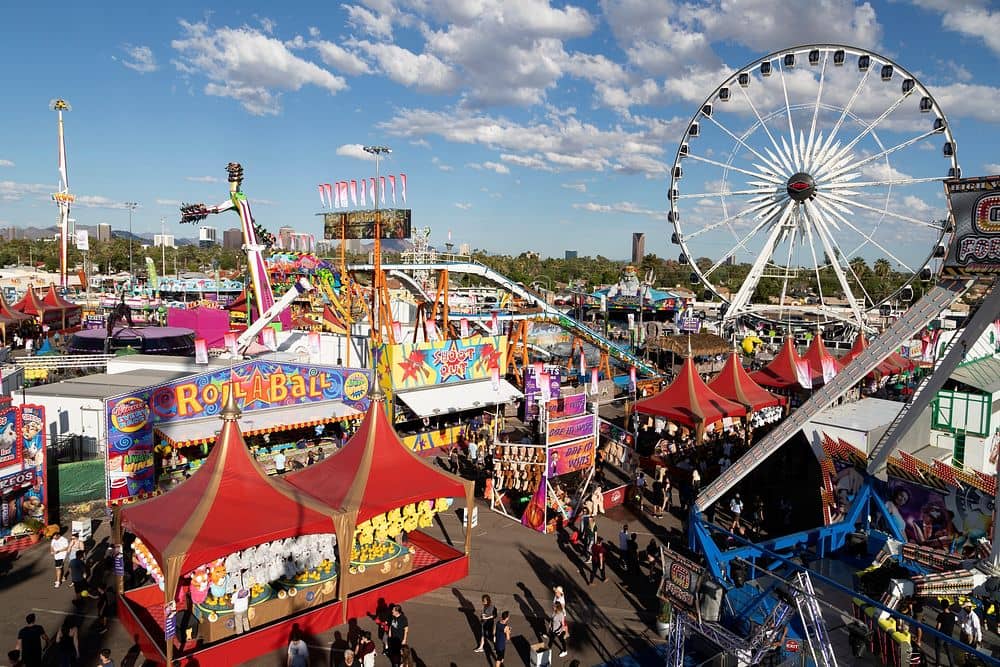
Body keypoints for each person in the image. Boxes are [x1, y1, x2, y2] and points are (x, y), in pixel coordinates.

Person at [935, 600, 957, 667]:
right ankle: (952, 665)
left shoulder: (941, 615)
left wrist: (936, 633)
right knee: (949, 652)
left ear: (942, 606)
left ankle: (938, 664)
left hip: (941, 635)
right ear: (948, 606)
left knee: (938, 649)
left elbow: (938, 626)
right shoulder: (953, 615)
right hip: (949, 635)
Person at [232, 570, 251, 635]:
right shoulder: (247, 588)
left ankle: (240, 633)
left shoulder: (235, 593)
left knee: (238, 622)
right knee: (245, 619)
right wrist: (247, 605)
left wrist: (226, 601)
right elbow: (248, 597)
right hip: (245, 608)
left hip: (238, 610)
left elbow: (232, 603)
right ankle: (247, 630)